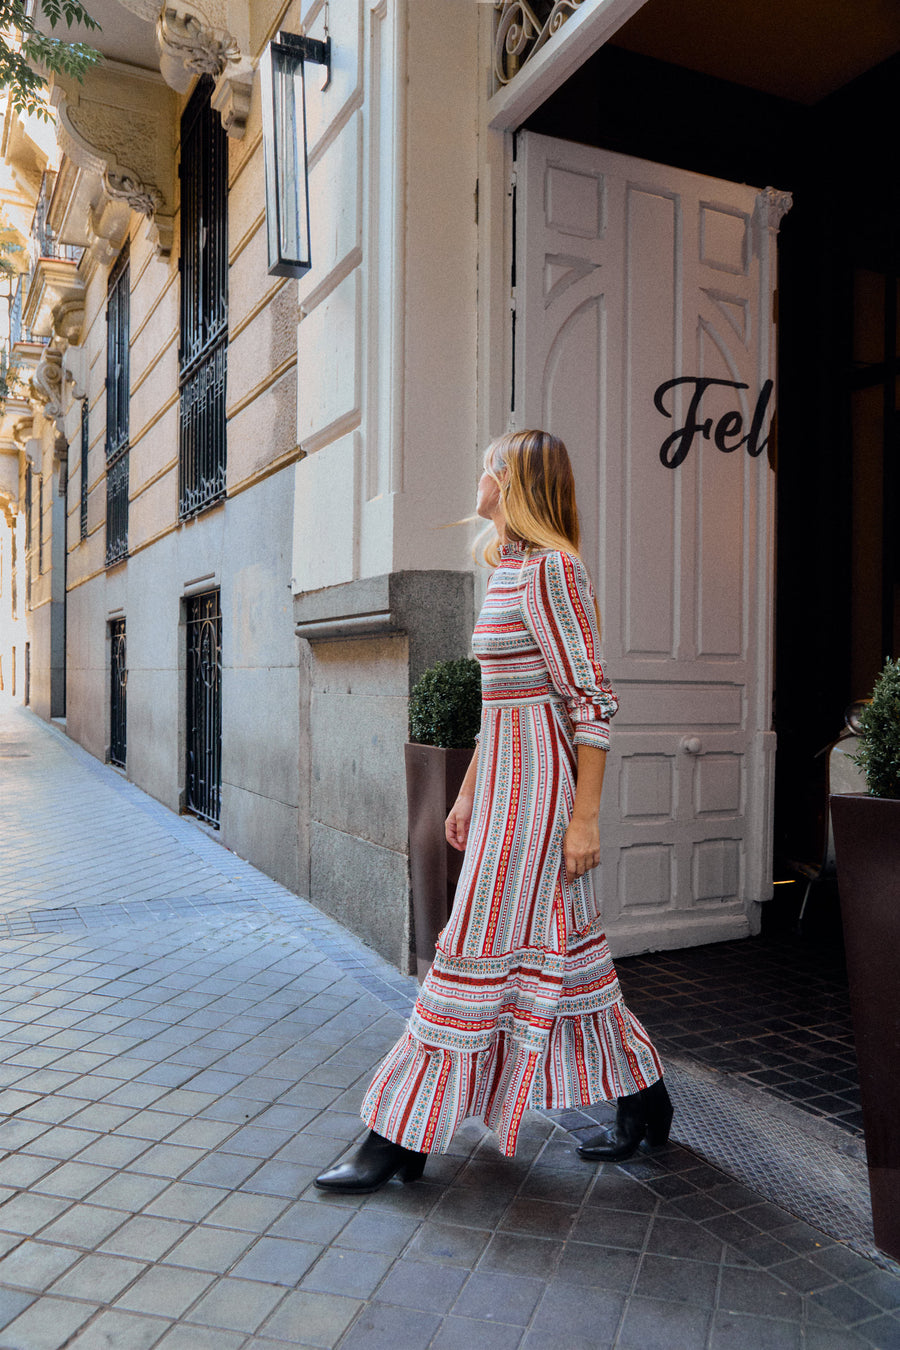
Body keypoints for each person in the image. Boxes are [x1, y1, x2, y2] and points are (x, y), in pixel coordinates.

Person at [316, 429, 671, 1194]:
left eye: (490, 464)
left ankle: (397, 1137)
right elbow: (499, 703)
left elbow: (592, 701)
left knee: (466, 952)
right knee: (570, 956)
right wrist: (471, 791)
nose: (477, 474)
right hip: (504, 784)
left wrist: (584, 819)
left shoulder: (554, 571)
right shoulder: (506, 569)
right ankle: (648, 1101)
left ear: (513, 484)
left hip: (542, 797)